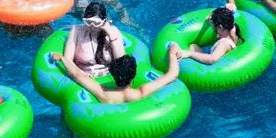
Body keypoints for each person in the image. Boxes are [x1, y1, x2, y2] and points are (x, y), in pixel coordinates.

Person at [53, 51, 182, 105]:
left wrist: (62, 58)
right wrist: (172, 52)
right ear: (134, 75)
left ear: (113, 75)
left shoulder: (103, 93)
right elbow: (172, 74)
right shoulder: (142, 92)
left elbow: (77, 75)